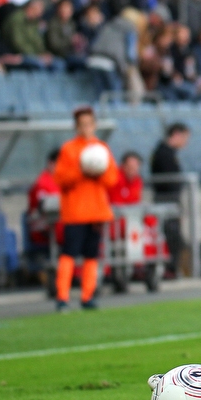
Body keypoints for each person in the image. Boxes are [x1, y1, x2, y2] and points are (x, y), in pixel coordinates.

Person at [53, 106, 119, 311]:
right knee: (69, 253)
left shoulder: (102, 148)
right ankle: (63, 297)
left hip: (97, 211)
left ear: (95, 125)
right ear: (76, 127)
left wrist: (98, 171)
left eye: (90, 124)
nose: (86, 128)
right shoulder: (69, 149)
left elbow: (112, 179)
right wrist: (81, 170)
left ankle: (87, 296)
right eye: (82, 125)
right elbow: (61, 179)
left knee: (92, 254)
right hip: (75, 212)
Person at [151, 123, 189, 276]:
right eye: (185, 138)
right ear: (176, 134)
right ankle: (170, 270)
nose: (186, 142)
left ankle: (172, 269)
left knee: (174, 238)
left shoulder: (166, 152)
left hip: (170, 202)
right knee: (171, 238)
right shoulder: (163, 153)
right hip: (166, 203)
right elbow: (167, 182)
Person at [25, 148, 62, 281]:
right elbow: (42, 208)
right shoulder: (43, 182)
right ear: (50, 163)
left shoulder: (62, 180)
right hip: (43, 227)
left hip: (60, 225)